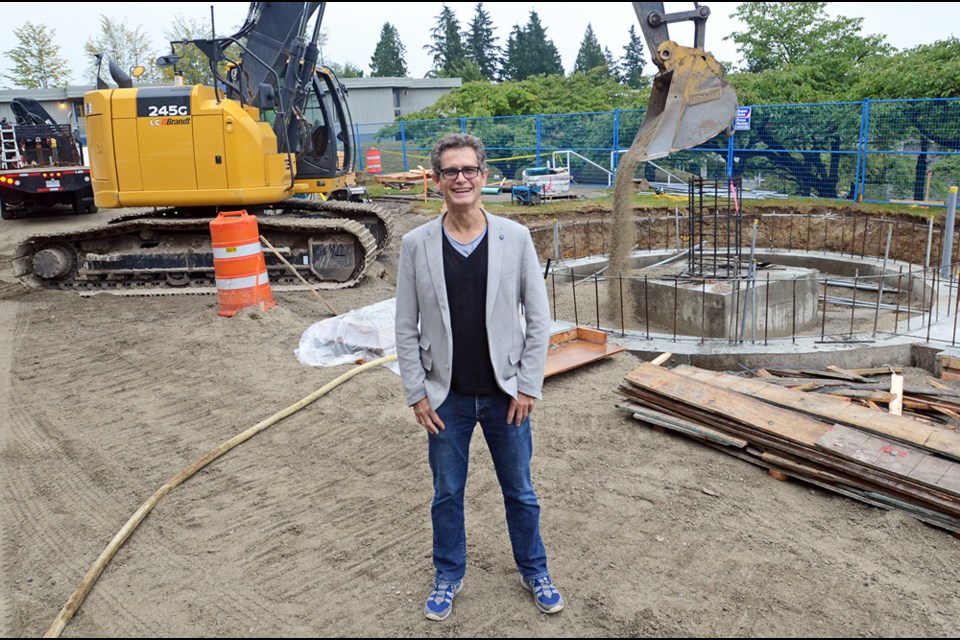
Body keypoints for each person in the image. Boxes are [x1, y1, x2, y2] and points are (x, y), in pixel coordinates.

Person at [394, 133, 562, 622]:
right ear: (438, 180)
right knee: (447, 493)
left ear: (484, 177)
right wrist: (416, 393)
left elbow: (539, 315)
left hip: (505, 395)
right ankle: (448, 575)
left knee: (521, 492)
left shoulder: (515, 238)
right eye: (451, 171)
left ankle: (535, 569)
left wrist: (529, 385)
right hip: (446, 398)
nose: (461, 178)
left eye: (469, 170)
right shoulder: (416, 245)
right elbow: (406, 326)